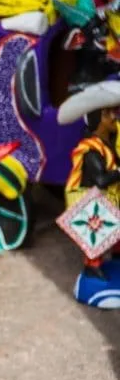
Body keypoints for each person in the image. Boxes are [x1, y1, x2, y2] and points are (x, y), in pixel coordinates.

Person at [59, 81, 120, 279]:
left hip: (110, 198)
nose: (115, 117)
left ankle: (117, 255)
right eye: (111, 113)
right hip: (93, 202)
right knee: (98, 235)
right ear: (99, 117)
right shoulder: (91, 151)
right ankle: (92, 266)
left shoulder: (109, 142)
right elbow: (101, 180)